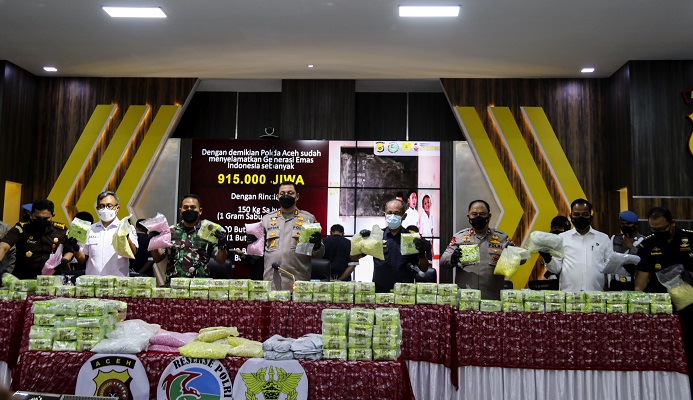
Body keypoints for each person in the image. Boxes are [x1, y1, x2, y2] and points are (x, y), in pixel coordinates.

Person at [251, 181, 324, 290]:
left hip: (298, 283)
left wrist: (318, 245)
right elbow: (256, 255)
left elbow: (319, 254)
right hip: (272, 283)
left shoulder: (308, 219)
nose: (286, 196)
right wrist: (252, 244)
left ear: (297, 196)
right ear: (277, 196)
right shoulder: (267, 219)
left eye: (290, 193)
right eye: (282, 193)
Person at [440, 199, 514, 300]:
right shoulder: (459, 237)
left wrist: (512, 253)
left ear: (489, 216)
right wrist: (453, 258)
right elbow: (443, 260)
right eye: (474, 214)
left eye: (482, 214)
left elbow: (521, 260)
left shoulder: (501, 238)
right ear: (469, 217)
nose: (478, 217)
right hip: (466, 299)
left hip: (492, 299)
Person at [357, 199, 430, 293]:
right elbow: (355, 257)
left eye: (396, 213)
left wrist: (421, 253)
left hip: (404, 293)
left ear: (404, 216)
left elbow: (424, 268)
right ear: (385, 215)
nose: (392, 216)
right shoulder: (377, 236)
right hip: (380, 293)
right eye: (389, 213)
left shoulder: (411, 238)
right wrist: (363, 241)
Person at [151, 194, 229, 283]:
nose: (189, 210)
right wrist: (154, 241)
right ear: (180, 211)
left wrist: (222, 244)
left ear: (200, 211)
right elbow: (157, 258)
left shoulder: (207, 232)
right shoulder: (171, 231)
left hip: (199, 287)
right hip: (174, 286)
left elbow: (221, 260)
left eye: (193, 207)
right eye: (185, 207)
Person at [542, 198, 613, 292]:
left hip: (595, 295)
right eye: (576, 214)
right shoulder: (561, 238)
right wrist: (547, 258)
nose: (581, 217)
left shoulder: (603, 238)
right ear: (571, 216)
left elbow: (610, 266)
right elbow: (556, 268)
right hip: (568, 296)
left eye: (585, 214)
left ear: (591, 217)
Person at [0, 199, 75, 279]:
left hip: (51, 279)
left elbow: (69, 250)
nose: (41, 222)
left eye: (46, 219)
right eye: (38, 218)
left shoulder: (61, 230)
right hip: (24, 279)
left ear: (53, 216)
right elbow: (3, 247)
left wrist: (65, 260)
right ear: (31, 215)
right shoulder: (21, 228)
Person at [71, 191, 138, 277]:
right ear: (97, 208)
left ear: (117, 208)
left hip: (117, 283)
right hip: (94, 283)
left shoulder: (127, 228)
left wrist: (126, 236)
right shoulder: (90, 229)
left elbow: (133, 252)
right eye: (101, 206)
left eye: (109, 206)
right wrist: (75, 248)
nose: (105, 209)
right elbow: (82, 259)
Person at [634, 207, 693, 293]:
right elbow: (641, 279)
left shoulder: (690, 238)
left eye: (662, 229)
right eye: (654, 229)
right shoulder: (647, 244)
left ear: (672, 223)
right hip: (659, 297)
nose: (658, 232)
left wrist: (689, 275)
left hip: (688, 295)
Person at [608, 210, 645, 291]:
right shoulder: (615, 238)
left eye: (628, 224)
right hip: (616, 282)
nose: (625, 226)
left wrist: (631, 247)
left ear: (635, 225)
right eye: (622, 223)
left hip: (633, 283)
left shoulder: (643, 241)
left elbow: (643, 262)